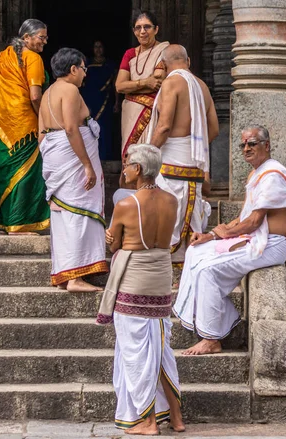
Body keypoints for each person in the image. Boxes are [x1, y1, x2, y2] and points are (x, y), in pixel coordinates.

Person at [173, 125, 286, 355]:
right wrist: (211, 235)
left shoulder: (271, 176)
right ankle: (222, 316)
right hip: (255, 239)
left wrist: (223, 234)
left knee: (207, 271)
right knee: (195, 250)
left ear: (267, 145)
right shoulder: (256, 174)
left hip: (271, 245)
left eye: (251, 143)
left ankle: (211, 338)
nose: (246, 148)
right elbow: (242, 218)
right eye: (243, 144)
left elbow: (254, 222)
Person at [97, 144, 184, 435]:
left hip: (134, 278)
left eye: (128, 165)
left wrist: (111, 238)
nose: (124, 170)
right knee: (160, 349)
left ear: (139, 169)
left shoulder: (125, 204)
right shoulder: (172, 201)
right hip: (160, 276)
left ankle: (147, 422)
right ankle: (176, 417)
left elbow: (115, 245)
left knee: (135, 351)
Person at [39, 48, 107, 292]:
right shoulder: (69, 90)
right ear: (73, 69)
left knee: (64, 214)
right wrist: (86, 164)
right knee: (77, 212)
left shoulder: (48, 93)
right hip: (72, 158)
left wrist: (55, 160)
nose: (85, 73)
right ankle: (75, 278)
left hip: (57, 157)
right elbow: (70, 128)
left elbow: (42, 135)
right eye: (83, 68)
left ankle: (65, 273)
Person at [148, 44, 219, 266]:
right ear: (188, 62)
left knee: (165, 212)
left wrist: (146, 152)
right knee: (191, 213)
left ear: (163, 64)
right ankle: (189, 270)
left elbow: (164, 127)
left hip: (170, 159)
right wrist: (193, 146)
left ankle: (165, 271)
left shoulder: (171, 83)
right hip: (194, 162)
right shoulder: (202, 86)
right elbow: (214, 129)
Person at [0, 19, 50, 234]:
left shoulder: (4, 55)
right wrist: (45, 117)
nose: (45, 41)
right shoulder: (33, 58)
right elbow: (34, 96)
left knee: (7, 170)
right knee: (27, 169)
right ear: (26, 38)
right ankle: (22, 222)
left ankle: (7, 221)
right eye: (41, 37)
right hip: (24, 123)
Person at [116, 11, 169, 160]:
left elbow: (158, 82)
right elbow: (119, 86)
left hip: (153, 112)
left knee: (149, 160)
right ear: (133, 31)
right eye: (138, 28)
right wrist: (145, 82)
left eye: (147, 27)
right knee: (130, 158)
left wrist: (131, 87)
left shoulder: (164, 51)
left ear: (156, 29)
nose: (142, 31)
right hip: (130, 114)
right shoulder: (130, 54)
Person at [80, 40, 119, 161]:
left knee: (105, 129)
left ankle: (105, 157)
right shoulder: (87, 64)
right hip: (89, 100)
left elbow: (116, 85)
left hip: (105, 101)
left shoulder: (111, 65)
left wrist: (117, 102)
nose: (98, 49)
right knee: (88, 128)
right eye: (95, 47)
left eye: (100, 47)